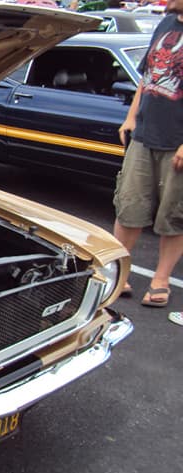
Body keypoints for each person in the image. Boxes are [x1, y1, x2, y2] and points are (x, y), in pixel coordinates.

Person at [114, 0, 183, 308]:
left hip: (178, 142)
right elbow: (148, 77)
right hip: (144, 134)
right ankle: (119, 273)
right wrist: (131, 117)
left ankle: (161, 279)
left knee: (175, 215)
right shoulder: (167, 23)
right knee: (129, 206)